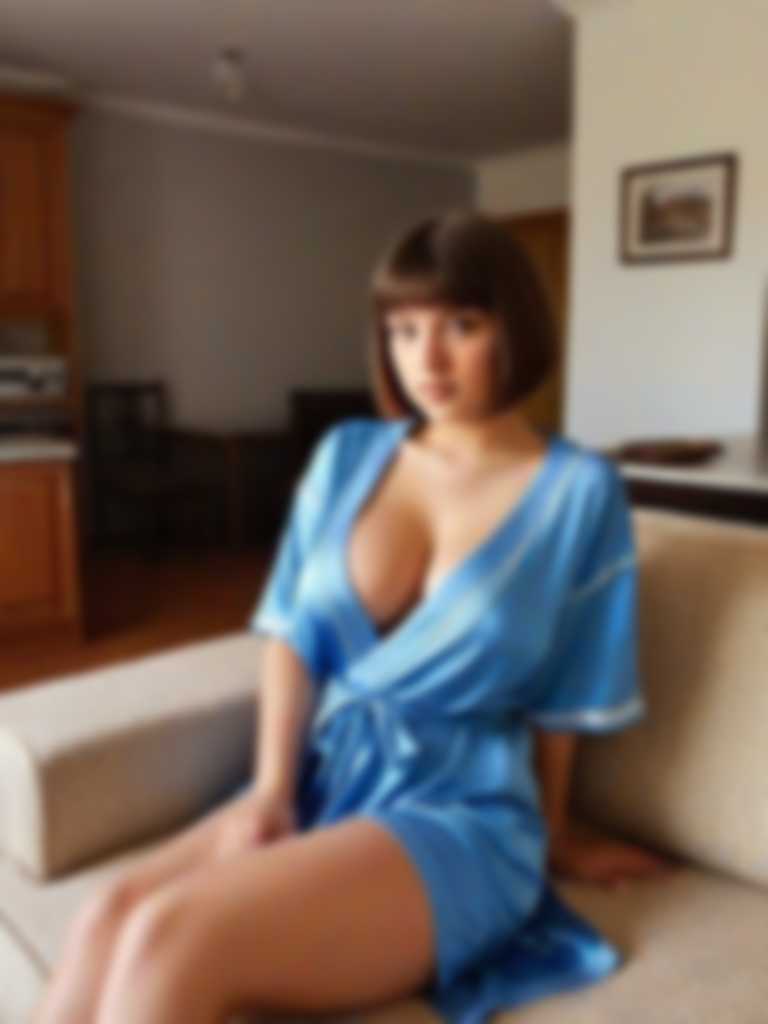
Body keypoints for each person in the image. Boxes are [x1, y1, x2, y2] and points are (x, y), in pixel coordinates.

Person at [33, 210, 680, 1024]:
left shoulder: (580, 490)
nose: (427, 359)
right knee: (108, 916)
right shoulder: (347, 455)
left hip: (462, 808)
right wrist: (272, 790)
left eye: (461, 325)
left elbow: (574, 686)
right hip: (328, 776)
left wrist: (555, 830)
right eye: (403, 330)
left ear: (514, 326)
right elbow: (291, 634)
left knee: (173, 936)